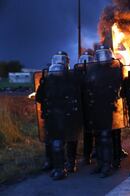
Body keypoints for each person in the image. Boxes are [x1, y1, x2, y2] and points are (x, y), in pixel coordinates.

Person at [35, 52, 82, 180]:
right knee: (67, 139)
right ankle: (68, 165)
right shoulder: (72, 78)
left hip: (55, 116)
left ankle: (61, 168)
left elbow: (39, 98)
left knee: (58, 142)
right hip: (65, 115)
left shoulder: (48, 80)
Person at [80, 46, 124, 177]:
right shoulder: (92, 70)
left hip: (107, 108)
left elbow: (117, 86)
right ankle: (100, 164)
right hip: (94, 108)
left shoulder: (115, 70)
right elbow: (87, 86)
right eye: (100, 54)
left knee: (105, 137)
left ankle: (107, 166)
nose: (103, 57)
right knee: (98, 137)